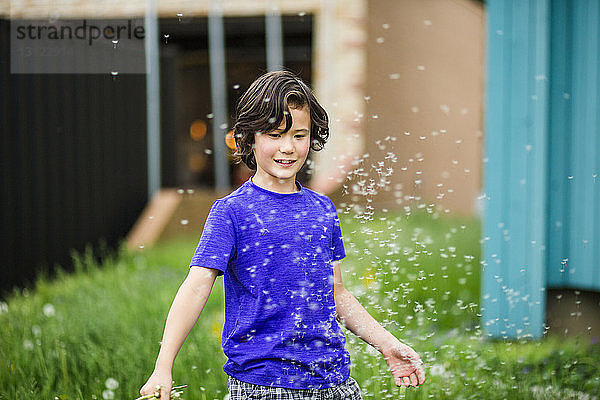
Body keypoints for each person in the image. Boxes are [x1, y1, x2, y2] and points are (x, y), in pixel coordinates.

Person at [140, 70, 425, 400]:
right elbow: (196, 287)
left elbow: (336, 295)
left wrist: (387, 345)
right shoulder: (231, 211)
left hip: (335, 382)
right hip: (265, 385)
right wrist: (163, 366)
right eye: (275, 135)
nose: (288, 148)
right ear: (249, 138)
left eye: (299, 135)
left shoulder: (322, 210)